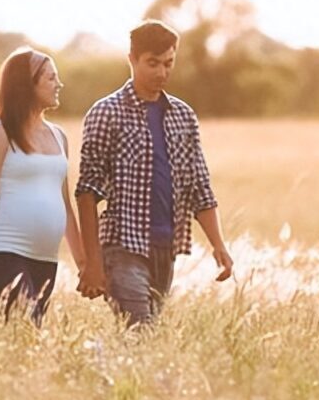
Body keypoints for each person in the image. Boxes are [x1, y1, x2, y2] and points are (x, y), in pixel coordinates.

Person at [75, 20, 234, 326]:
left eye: (168, 63)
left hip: (166, 248)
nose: (162, 72)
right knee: (140, 333)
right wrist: (92, 263)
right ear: (132, 59)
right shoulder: (106, 113)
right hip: (122, 247)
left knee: (142, 341)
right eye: (152, 63)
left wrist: (219, 245)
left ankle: (103, 370)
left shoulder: (183, 116)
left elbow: (200, 187)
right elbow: (87, 192)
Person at [0, 47, 85, 325]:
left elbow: (65, 207)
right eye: (50, 78)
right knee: (25, 327)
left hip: (46, 258)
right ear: (27, 84)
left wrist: (84, 264)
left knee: (27, 336)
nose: (59, 84)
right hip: (7, 251)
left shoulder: (60, 137)